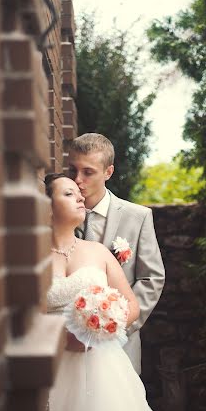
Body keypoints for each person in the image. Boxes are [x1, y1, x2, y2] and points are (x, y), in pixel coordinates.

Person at [46, 173, 160, 411]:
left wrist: (104, 326)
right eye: (69, 194)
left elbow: (131, 306)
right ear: (47, 207)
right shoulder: (32, 258)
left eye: (78, 193)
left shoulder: (97, 252)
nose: (81, 197)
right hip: (50, 366)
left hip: (101, 366)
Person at [66, 133, 165, 375]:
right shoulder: (57, 216)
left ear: (108, 172)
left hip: (120, 345)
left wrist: (116, 324)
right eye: (73, 170)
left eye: (88, 172)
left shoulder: (138, 217)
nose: (78, 180)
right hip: (68, 347)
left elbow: (151, 278)